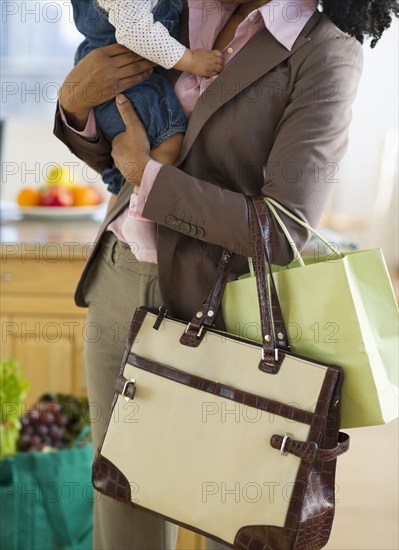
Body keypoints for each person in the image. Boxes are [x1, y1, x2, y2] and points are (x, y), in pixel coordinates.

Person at [55, 0, 398, 548]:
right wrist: (75, 106)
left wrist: (151, 175)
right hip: (123, 282)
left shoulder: (325, 47)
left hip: (227, 316)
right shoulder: (174, 7)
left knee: (232, 518)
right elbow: (123, 152)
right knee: (122, 513)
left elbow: (281, 230)